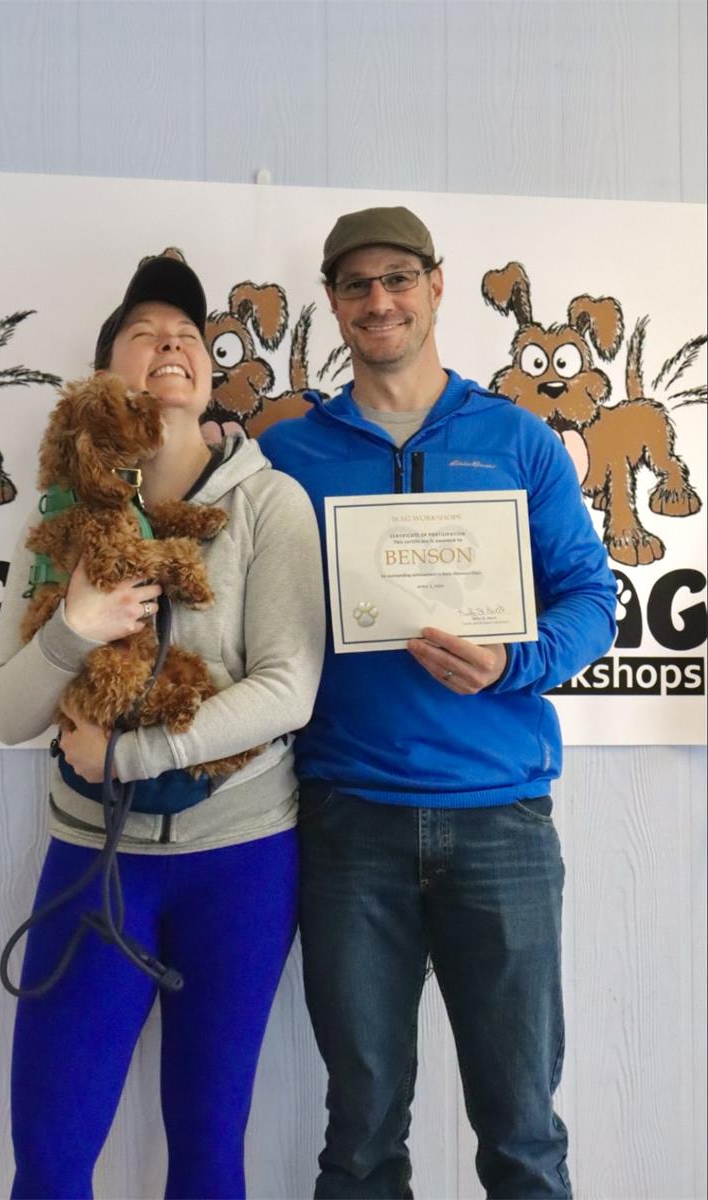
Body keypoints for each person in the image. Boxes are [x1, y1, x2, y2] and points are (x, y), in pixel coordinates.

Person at [259, 206, 617, 1200]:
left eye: (399, 279)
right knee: (362, 1134)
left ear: (436, 285)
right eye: (358, 285)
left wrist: (518, 660)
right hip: (347, 824)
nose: (380, 301)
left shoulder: (518, 439)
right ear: (334, 303)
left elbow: (594, 598)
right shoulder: (289, 454)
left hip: (500, 820)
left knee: (523, 1133)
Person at [0, 252, 325, 1200]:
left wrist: (134, 750)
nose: (170, 342)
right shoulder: (62, 518)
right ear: (107, 376)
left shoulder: (270, 502)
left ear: (210, 370)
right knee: (50, 1158)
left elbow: (288, 687)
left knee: (209, 1151)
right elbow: (6, 712)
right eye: (144, 332)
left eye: (188, 334)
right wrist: (71, 631)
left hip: (243, 863)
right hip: (94, 862)